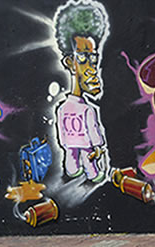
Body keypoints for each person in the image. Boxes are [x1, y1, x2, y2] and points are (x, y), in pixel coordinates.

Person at [55, 1, 110, 183]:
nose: (91, 65)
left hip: (72, 146)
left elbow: (63, 136)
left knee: (72, 158)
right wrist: (98, 147)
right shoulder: (86, 110)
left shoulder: (64, 109)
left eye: (93, 57)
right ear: (70, 63)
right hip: (85, 145)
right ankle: (91, 173)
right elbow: (92, 132)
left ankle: (73, 170)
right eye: (83, 57)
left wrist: (65, 144)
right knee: (87, 159)